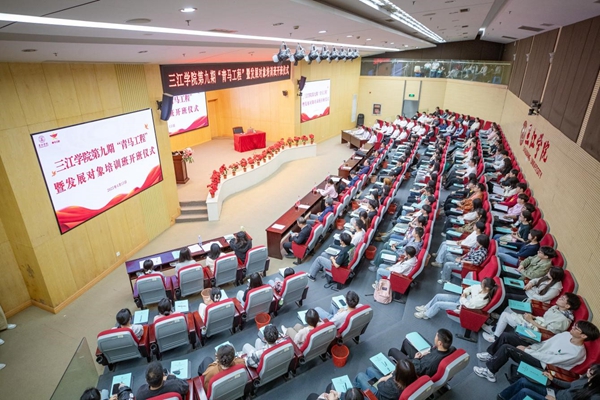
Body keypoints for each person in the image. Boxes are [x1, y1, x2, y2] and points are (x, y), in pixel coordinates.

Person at [474, 321, 600, 383]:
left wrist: (527, 351)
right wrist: (530, 348)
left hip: (543, 364)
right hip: (537, 352)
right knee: (507, 336)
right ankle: (491, 355)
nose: (573, 327)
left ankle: (490, 372)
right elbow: (545, 344)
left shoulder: (577, 353)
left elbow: (549, 359)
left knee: (507, 348)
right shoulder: (566, 335)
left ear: (583, 336)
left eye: (576, 328)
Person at [482, 292, 580, 343]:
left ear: (567, 306)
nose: (559, 298)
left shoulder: (563, 320)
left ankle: (495, 337)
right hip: (536, 322)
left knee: (505, 315)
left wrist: (530, 320)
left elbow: (548, 332)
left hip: (537, 333)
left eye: (562, 299)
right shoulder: (556, 307)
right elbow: (544, 319)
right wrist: (533, 317)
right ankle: (495, 329)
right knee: (510, 309)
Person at [497, 364, 600, 400]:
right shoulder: (586, 378)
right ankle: (503, 397)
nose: (588, 371)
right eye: (590, 369)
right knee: (523, 381)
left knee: (525, 392)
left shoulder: (595, 396)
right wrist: (552, 379)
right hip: (557, 393)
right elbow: (569, 385)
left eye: (591, 372)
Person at [414, 277, 498, 320]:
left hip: (461, 307)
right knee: (438, 296)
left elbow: (469, 305)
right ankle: (426, 308)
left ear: (487, 288)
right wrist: (465, 293)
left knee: (438, 304)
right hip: (461, 299)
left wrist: (463, 298)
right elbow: (470, 288)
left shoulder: (483, 299)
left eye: (482, 284)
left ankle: (426, 315)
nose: (480, 284)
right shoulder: (480, 287)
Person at [388, 328, 454, 376]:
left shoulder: (431, 362)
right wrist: (428, 353)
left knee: (392, 350)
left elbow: (418, 370)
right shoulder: (452, 349)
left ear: (440, 343)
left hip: (415, 367)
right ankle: (402, 358)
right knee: (406, 342)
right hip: (424, 361)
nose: (434, 338)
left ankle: (400, 365)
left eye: (436, 336)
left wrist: (416, 359)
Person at [354, 359, 418, 400]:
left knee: (360, 376)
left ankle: (354, 393)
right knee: (369, 370)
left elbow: (379, 384)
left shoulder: (390, 385)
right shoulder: (414, 378)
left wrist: (389, 376)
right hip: (390, 392)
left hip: (379, 395)